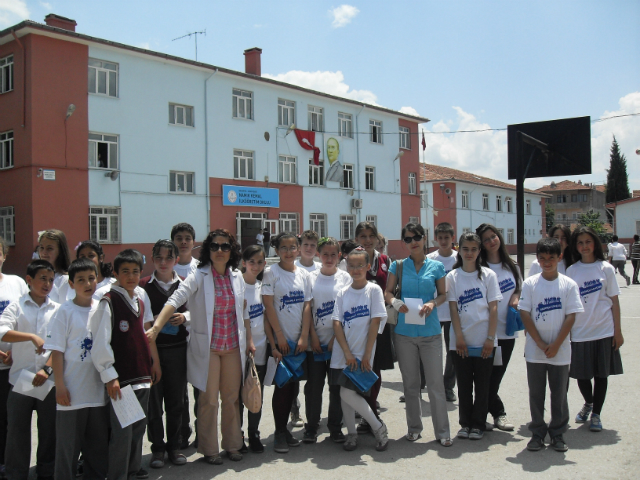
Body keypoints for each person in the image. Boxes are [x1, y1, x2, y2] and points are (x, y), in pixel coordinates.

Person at [148, 229, 249, 465]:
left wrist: (250, 340)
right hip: (209, 348)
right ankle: (209, 448)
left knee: (232, 398)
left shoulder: (237, 275)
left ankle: (233, 444)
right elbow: (175, 300)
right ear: (208, 250)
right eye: (215, 246)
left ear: (232, 250)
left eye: (225, 246)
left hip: (233, 346)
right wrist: (155, 328)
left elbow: (243, 311)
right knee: (209, 400)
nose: (220, 251)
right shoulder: (198, 275)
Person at [90, 249, 161, 480]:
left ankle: (132, 469)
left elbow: (142, 337)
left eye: (135, 272)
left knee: (138, 427)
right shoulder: (108, 301)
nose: (131, 276)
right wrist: (110, 375)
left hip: (141, 376)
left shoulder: (139, 299)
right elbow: (100, 342)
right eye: (125, 272)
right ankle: (118, 474)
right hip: (122, 379)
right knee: (122, 431)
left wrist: (151, 364)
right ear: (116, 273)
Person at [386, 223, 452, 446]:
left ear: (424, 238)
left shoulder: (436, 266)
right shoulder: (398, 266)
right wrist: (394, 301)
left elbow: (443, 294)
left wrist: (433, 303)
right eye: (408, 239)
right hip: (404, 333)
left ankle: (443, 432)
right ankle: (414, 428)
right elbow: (387, 292)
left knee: (435, 385)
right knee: (411, 385)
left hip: (430, 332)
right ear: (404, 242)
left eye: (417, 237)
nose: (413, 241)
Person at [46, 258, 109, 480]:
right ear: (71, 284)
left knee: (97, 446)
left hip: (97, 392)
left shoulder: (102, 307)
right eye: (81, 280)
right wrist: (60, 386)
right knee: (67, 449)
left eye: (91, 278)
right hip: (71, 393)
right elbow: (56, 351)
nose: (87, 283)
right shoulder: (65, 311)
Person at [519, 238, 583, 452]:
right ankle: (537, 432)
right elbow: (524, 313)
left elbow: (571, 316)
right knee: (536, 393)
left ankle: (558, 433)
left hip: (560, 349)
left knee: (559, 394)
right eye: (543, 258)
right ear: (537, 259)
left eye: (551, 258)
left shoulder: (568, 284)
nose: (547, 262)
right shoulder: (530, 284)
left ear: (559, 257)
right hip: (535, 350)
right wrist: (538, 341)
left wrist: (556, 344)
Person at [0, 260, 59, 480]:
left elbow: (61, 346)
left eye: (51, 279)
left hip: (48, 381)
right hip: (20, 381)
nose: (47, 284)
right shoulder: (16, 306)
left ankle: (47, 472)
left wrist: (47, 370)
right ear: (29, 280)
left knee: (49, 432)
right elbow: (2, 331)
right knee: (17, 433)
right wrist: (31, 337)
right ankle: (16, 474)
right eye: (42, 278)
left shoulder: (58, 309)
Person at [331, 247, 389, 452]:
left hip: (364, 351)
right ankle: (352, 434)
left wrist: (367, 354)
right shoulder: (342, 292)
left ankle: (377, 427)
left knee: (348, 393)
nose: (355, 270)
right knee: (344, 393)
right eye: (351, 266)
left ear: (367, 267)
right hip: (343, 352)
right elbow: (336, 323)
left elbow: (375, 322)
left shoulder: (373, 290)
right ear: (346, 267)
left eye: (360, 266)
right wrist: (346, 352)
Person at [566, 227, 624, 432]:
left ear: (595, 244)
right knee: (582, 376)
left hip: (604, 331)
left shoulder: (605, 269)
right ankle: (588, 403)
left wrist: (618, 331)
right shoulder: (571, 270)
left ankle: (596, 414)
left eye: (588, 242)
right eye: (580, 243)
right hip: (580, 332)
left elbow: (615, 302)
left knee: (601, 375)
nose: (584, 246)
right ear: (575, 246)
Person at [446, 232, 502, 441]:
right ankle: (465, 423)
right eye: (465, 249)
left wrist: (490, 338)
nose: (469, 253)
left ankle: (478, 424)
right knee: (464, 386)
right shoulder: (452, 277)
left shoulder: (488, 275)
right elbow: (453, 309)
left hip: (484, 340)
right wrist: (459, 337)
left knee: (483, 385)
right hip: (460, 341)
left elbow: (493, 309)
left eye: (474, 249)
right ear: (458, 250)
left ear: (480, 251)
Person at [140, 240, 189, 469]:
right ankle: (157, 448)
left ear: (176, 261)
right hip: (152, 352)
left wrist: (184, 317)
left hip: (178, 351)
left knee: (176, 402)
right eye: (158, 257)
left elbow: (196, 312)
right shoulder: (142, 287)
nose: (163, 262)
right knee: (153, 404)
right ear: (152, 259)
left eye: (168, 258)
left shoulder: (185, 286)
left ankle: (175, 446)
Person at [262, 232, 312, 453]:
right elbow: (268, 306)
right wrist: (279, 336)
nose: (289, 252)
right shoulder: (270, 273)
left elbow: (308, 306)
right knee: (282, 387)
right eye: (284, 248)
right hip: (280, 343)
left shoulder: (304, 274)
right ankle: (279, 433)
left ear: (299, 248)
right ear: (276, 250)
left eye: (293, 247)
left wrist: (303, 336)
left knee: (293, 388)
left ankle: (285, 430)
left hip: (298, 343)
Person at [476, 223, 521, 432]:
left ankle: (487, 414)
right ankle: (497, 413)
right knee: (485, 379)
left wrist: (516, 297)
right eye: (486, 239)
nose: (491, 241)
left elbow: (521, 288)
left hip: (507, 332)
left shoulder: (511, 265)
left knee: (495, 378)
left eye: (493, 236)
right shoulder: (480, 269)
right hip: (486, 334)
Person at [305, 237, 350, 444]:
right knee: (314, 387)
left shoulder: (345, 278)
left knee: (336, 386)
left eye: (334, 254)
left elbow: (346, 311)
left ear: (339, 255)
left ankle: (335, 427)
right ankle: (312, 426)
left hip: (337, 344)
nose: (329, 258)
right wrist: (313, 336)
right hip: (315, 344)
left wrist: (335, 338)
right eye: (325, 254)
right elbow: (308, 309)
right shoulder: (310, 278)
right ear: (318, 255)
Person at [354, 221, 394, 433]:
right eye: (363, 236)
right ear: (356, 240)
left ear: (377, 238)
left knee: (374, 368)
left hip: (379, 323)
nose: (367, 240)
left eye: (371, 236)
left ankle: (371, 410)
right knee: (359, 366)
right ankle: (362, 408)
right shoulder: (350, 261)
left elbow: (391, 289)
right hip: (357, 325)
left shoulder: (385, 260)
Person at [0, 236, 29, 478]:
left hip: (14, 365)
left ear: (4, 255)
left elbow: (25, 315)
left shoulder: (16, 283)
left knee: (11, 421)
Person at [239, 245, 269, 453]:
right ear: (243, 262)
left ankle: (254, 433)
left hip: (261, 349)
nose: (256, 266)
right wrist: (248, 341)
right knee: (238, 396)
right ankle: (237, 435)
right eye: (251, 262)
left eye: (260, 262)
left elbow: (266, 318)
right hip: (239, 351)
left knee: (256, 393)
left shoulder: (262, 287)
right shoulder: (236, 286)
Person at [170, 222, 197, 449]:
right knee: (180, 393)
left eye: (187, 238)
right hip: (174, 341)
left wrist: (187, 317)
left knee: (201, 389)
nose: (184, 242)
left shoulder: (201, 269)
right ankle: (182, 432)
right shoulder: (167, 269)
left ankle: (202, 432)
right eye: (179, 238)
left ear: (194, 242)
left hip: (198, 337)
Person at [289, 229, 321, 428]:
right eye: (306, 245)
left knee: (314, 380)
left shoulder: (320, 269)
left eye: (312, 245)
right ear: (299, 247)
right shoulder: (292, 268)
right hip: (296, 331)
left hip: (317, 332)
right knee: (294, 378)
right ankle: (294, 410)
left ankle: (313, 417)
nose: (309, 248)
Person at [427, 222, 458, 402]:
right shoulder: (430, 259)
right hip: (434, 311)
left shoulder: (459, 258)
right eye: (440, 238)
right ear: (435, 239)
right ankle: (425, 383)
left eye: (447, 237)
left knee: (452, 351)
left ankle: (448, 386)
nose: (444, 241)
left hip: (453, 311)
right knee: (429, 349)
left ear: (452, 238)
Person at [38, 229, 72, 302]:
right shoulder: (34, 277)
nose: (44, 252)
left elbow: (64, 310)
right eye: (41, 247)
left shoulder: (64, 280)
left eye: (49, 248)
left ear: (60, 251)